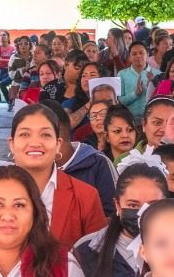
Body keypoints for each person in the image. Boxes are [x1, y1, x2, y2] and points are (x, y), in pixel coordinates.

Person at [8, 104, 106, 248]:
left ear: (58, 144)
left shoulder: (85, 196)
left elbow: (97, 260)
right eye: (25, 134)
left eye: (45, 135)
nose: (35, 143)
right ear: (12, 144)